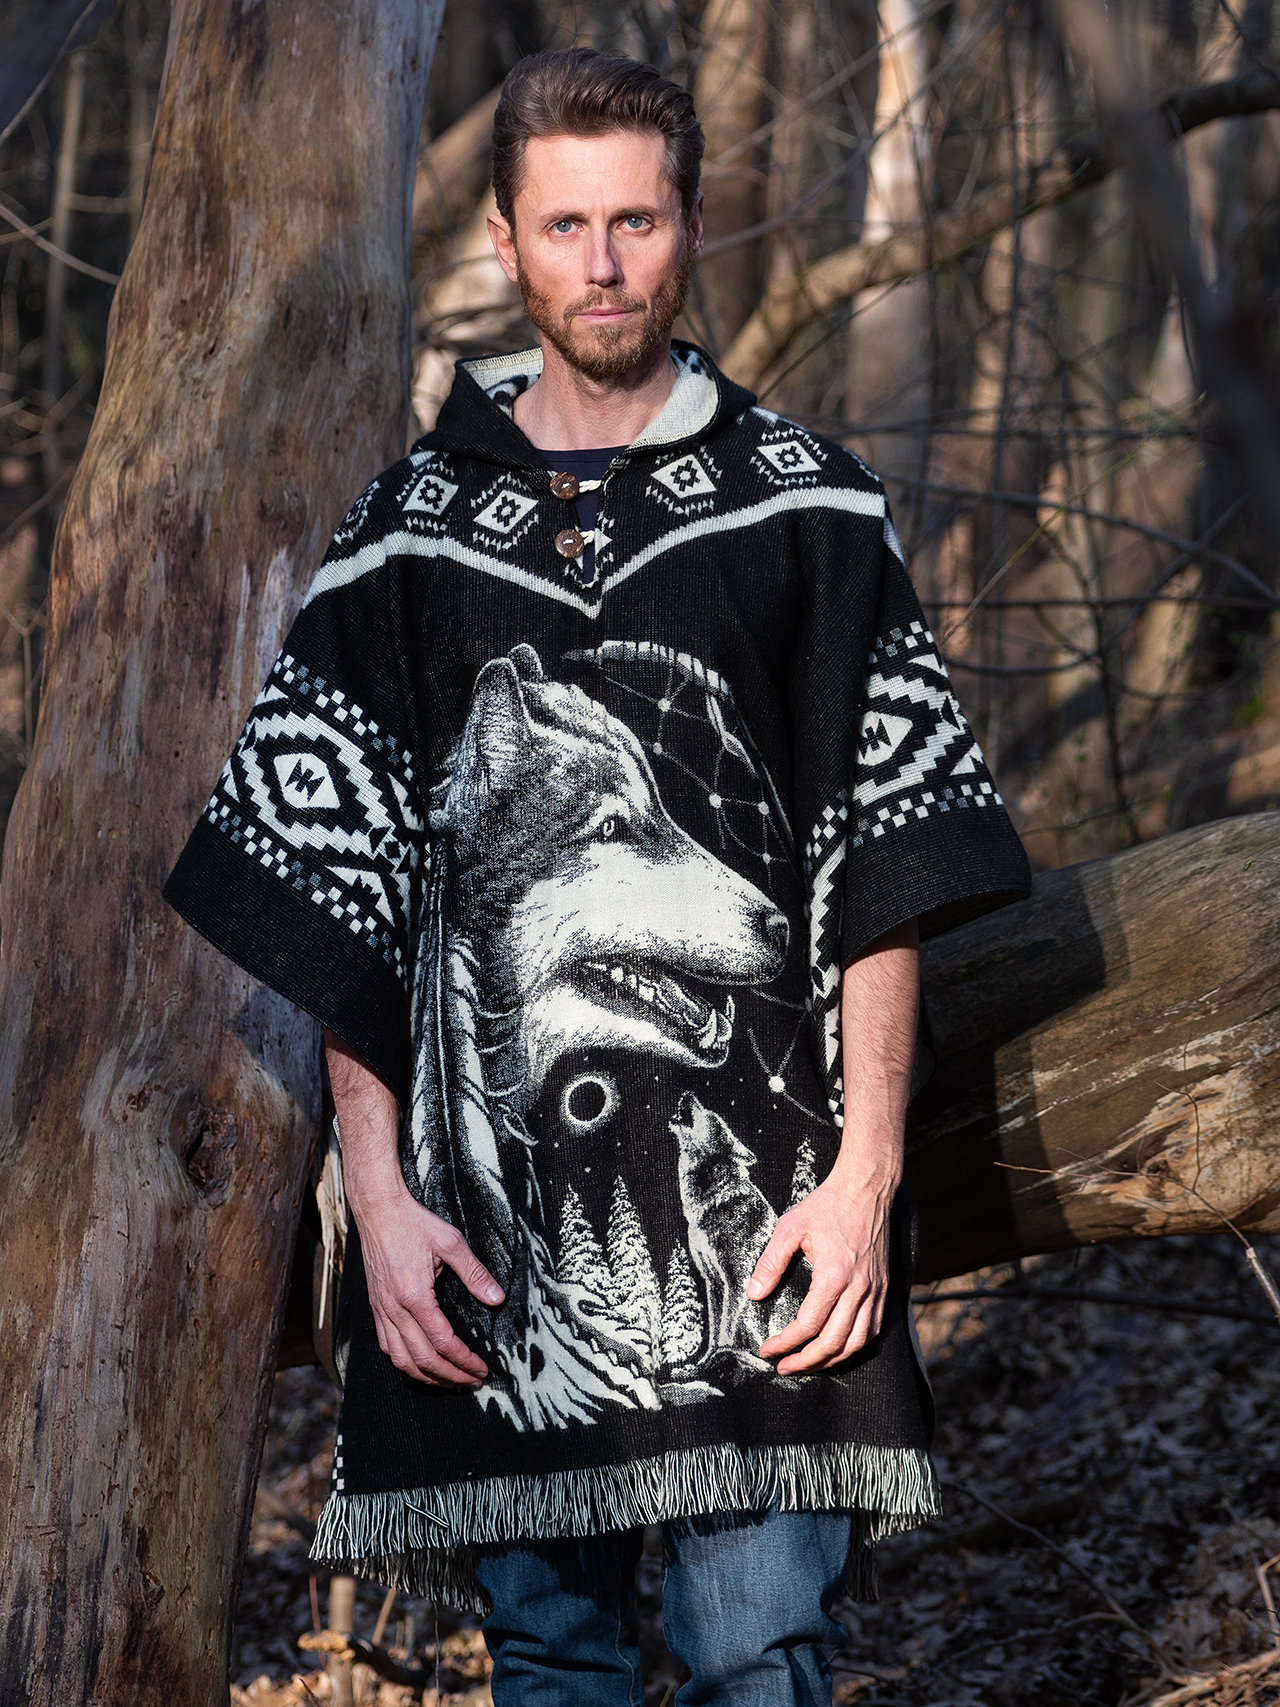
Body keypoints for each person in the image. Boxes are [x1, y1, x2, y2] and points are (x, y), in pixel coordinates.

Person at [165, 45, 1031, 1707]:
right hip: (487, 1243)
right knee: (552, 1664)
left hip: (772, 1223)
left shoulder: (811, 510)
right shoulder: (405, 539)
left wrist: (864, 1179)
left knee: (758, 1654)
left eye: (636, 220)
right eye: (566, 226)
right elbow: (348, 896)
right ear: (506, 240)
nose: (605, 262)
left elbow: (887, 865)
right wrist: (383, 1203)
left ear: (690, 226)